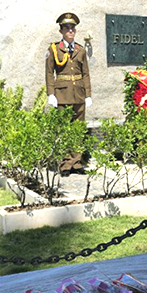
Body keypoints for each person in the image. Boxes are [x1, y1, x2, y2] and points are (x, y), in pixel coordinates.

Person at [45, 12, 92, 175]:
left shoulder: (80, 50)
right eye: (67, 28)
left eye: (73, 28)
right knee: (65, 129)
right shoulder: (54, 49)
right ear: (61, 31)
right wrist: (51, 93)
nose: (70, 30)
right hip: (62, 95)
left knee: (78, 129)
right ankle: (66, 164)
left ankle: (77, 162)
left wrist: (88, 95)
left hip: (79, 94)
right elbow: (50, 73)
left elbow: (85, 73)